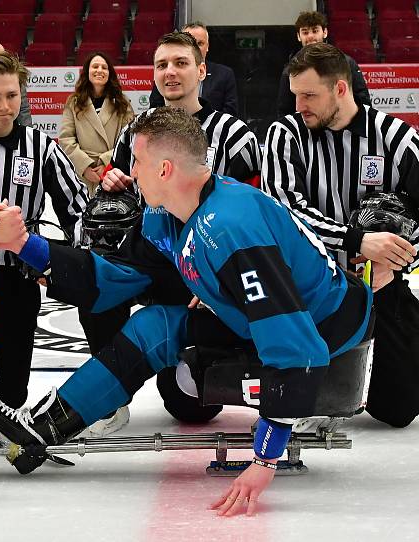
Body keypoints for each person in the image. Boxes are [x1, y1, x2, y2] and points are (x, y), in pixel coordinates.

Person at [0, 105, 374, 516]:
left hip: (328, 334)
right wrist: (23, 244)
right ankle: (43, 428)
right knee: (153, 326)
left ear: (163, 169)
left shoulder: (232, 227)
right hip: (272, 324)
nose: (129, 172)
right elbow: (110, 279)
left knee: (210, 356)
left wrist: (265, 459)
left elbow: (294, 344)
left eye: (136, 162)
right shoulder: (166, 217)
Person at [81, 31, 262, 433]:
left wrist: (221, 282)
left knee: (190, 408)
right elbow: (126, 184)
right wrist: (115, 182)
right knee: (94, 284)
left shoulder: (236, 136)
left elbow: (255, 216)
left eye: (181, 63)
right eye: (162, 64)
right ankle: (111, 398)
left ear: (201, 70)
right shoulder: (134, 132)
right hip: (151, 258)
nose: (170, 72)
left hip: (204, 271)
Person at [263, 43, 419, 428]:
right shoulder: (285, 135)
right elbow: (285, 212)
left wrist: (400, 260)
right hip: (310, 285)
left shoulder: (396, 138)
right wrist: (355, 241)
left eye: (310, 95)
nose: (299, 105)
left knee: (398, 410)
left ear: (341, 89)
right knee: (303, 399)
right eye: (296, 93)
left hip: (380, 283)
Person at [0, 50, 89, 409]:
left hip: (16, 276)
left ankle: (7, 415)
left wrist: (67, 267)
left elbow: (77, 212)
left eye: (12, 96)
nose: (5, 106)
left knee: (12, 383)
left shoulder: (41, 147)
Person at [59, 52, 135, 196]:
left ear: (109, 73)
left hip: (112, 172)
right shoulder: (73, 102)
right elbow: (66, 139)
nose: (99, 70)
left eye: (104, 67)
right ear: (87, 72)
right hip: (81, 175)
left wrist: (105, 162)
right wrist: (85, 167)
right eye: (95, 66)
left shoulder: (122, 103)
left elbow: (129, 139)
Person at [275, 11, 370, 117]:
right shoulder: (291, 70)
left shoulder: (346, 63)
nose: (310, 36)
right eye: (305, 32)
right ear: (298, 36)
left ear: (325, 32)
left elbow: (363, 101)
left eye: (315, 31)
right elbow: (284, 111)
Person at [148, 22, 238, 116]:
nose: (195, 47)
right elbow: (156, 104)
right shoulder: (166, 73)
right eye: (190, 42)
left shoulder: (224, 74)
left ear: (207, 46)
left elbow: (230, 109)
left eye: (200, 43)